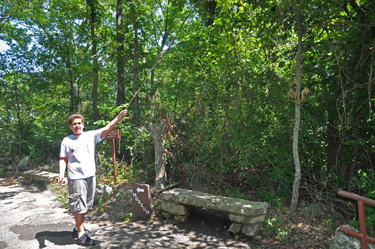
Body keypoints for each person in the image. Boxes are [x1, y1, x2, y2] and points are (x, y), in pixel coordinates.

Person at [58, 110, 128, 246]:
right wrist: (61, 174)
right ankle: (81, 235)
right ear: (70, 126)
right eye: (74, 124)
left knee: (86, 204)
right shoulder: (67, 140)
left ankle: (77, 228)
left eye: (79, 123)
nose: (77, 126)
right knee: (79, 206)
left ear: (83, 124)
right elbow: (62, 159)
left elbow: (108, 128)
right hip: (76, 178)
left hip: (90, 176)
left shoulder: (91, 136)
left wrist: (119, 117)